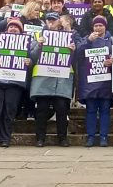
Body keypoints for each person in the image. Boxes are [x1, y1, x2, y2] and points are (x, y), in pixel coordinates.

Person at [29, 12, 76, 147]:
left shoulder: (69, 36)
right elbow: (31, 56)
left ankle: (62, 138)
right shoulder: (38, 36)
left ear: (59, 22)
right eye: (48, 20)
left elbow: (76, 58)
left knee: (62, 108)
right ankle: (40, 138)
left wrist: (72, 50)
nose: (50, 23)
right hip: (43, 78)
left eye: (53, 20)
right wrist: (39, 45)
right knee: (42, 109)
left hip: (61, 78)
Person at [0, 18, 29, 147]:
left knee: (9, 110)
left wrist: (29, 60)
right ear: (6, 29)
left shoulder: (27, 44)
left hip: (15, 82)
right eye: (11, 27)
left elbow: (33, 56)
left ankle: (4, 138)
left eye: (16, 27)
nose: (13, 29)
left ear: (21, 31)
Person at [76, 16, 113, 147]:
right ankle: (91, 136)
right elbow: (77, 53)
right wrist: (87, 41)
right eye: (96, 26)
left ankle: (104, 136)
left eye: (101, 25)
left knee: (105, 110)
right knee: (91, 110)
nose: (98, 28)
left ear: (105, 26)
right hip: (90, 82)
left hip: (106, 82)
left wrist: (111, 61)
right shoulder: (87, 39)